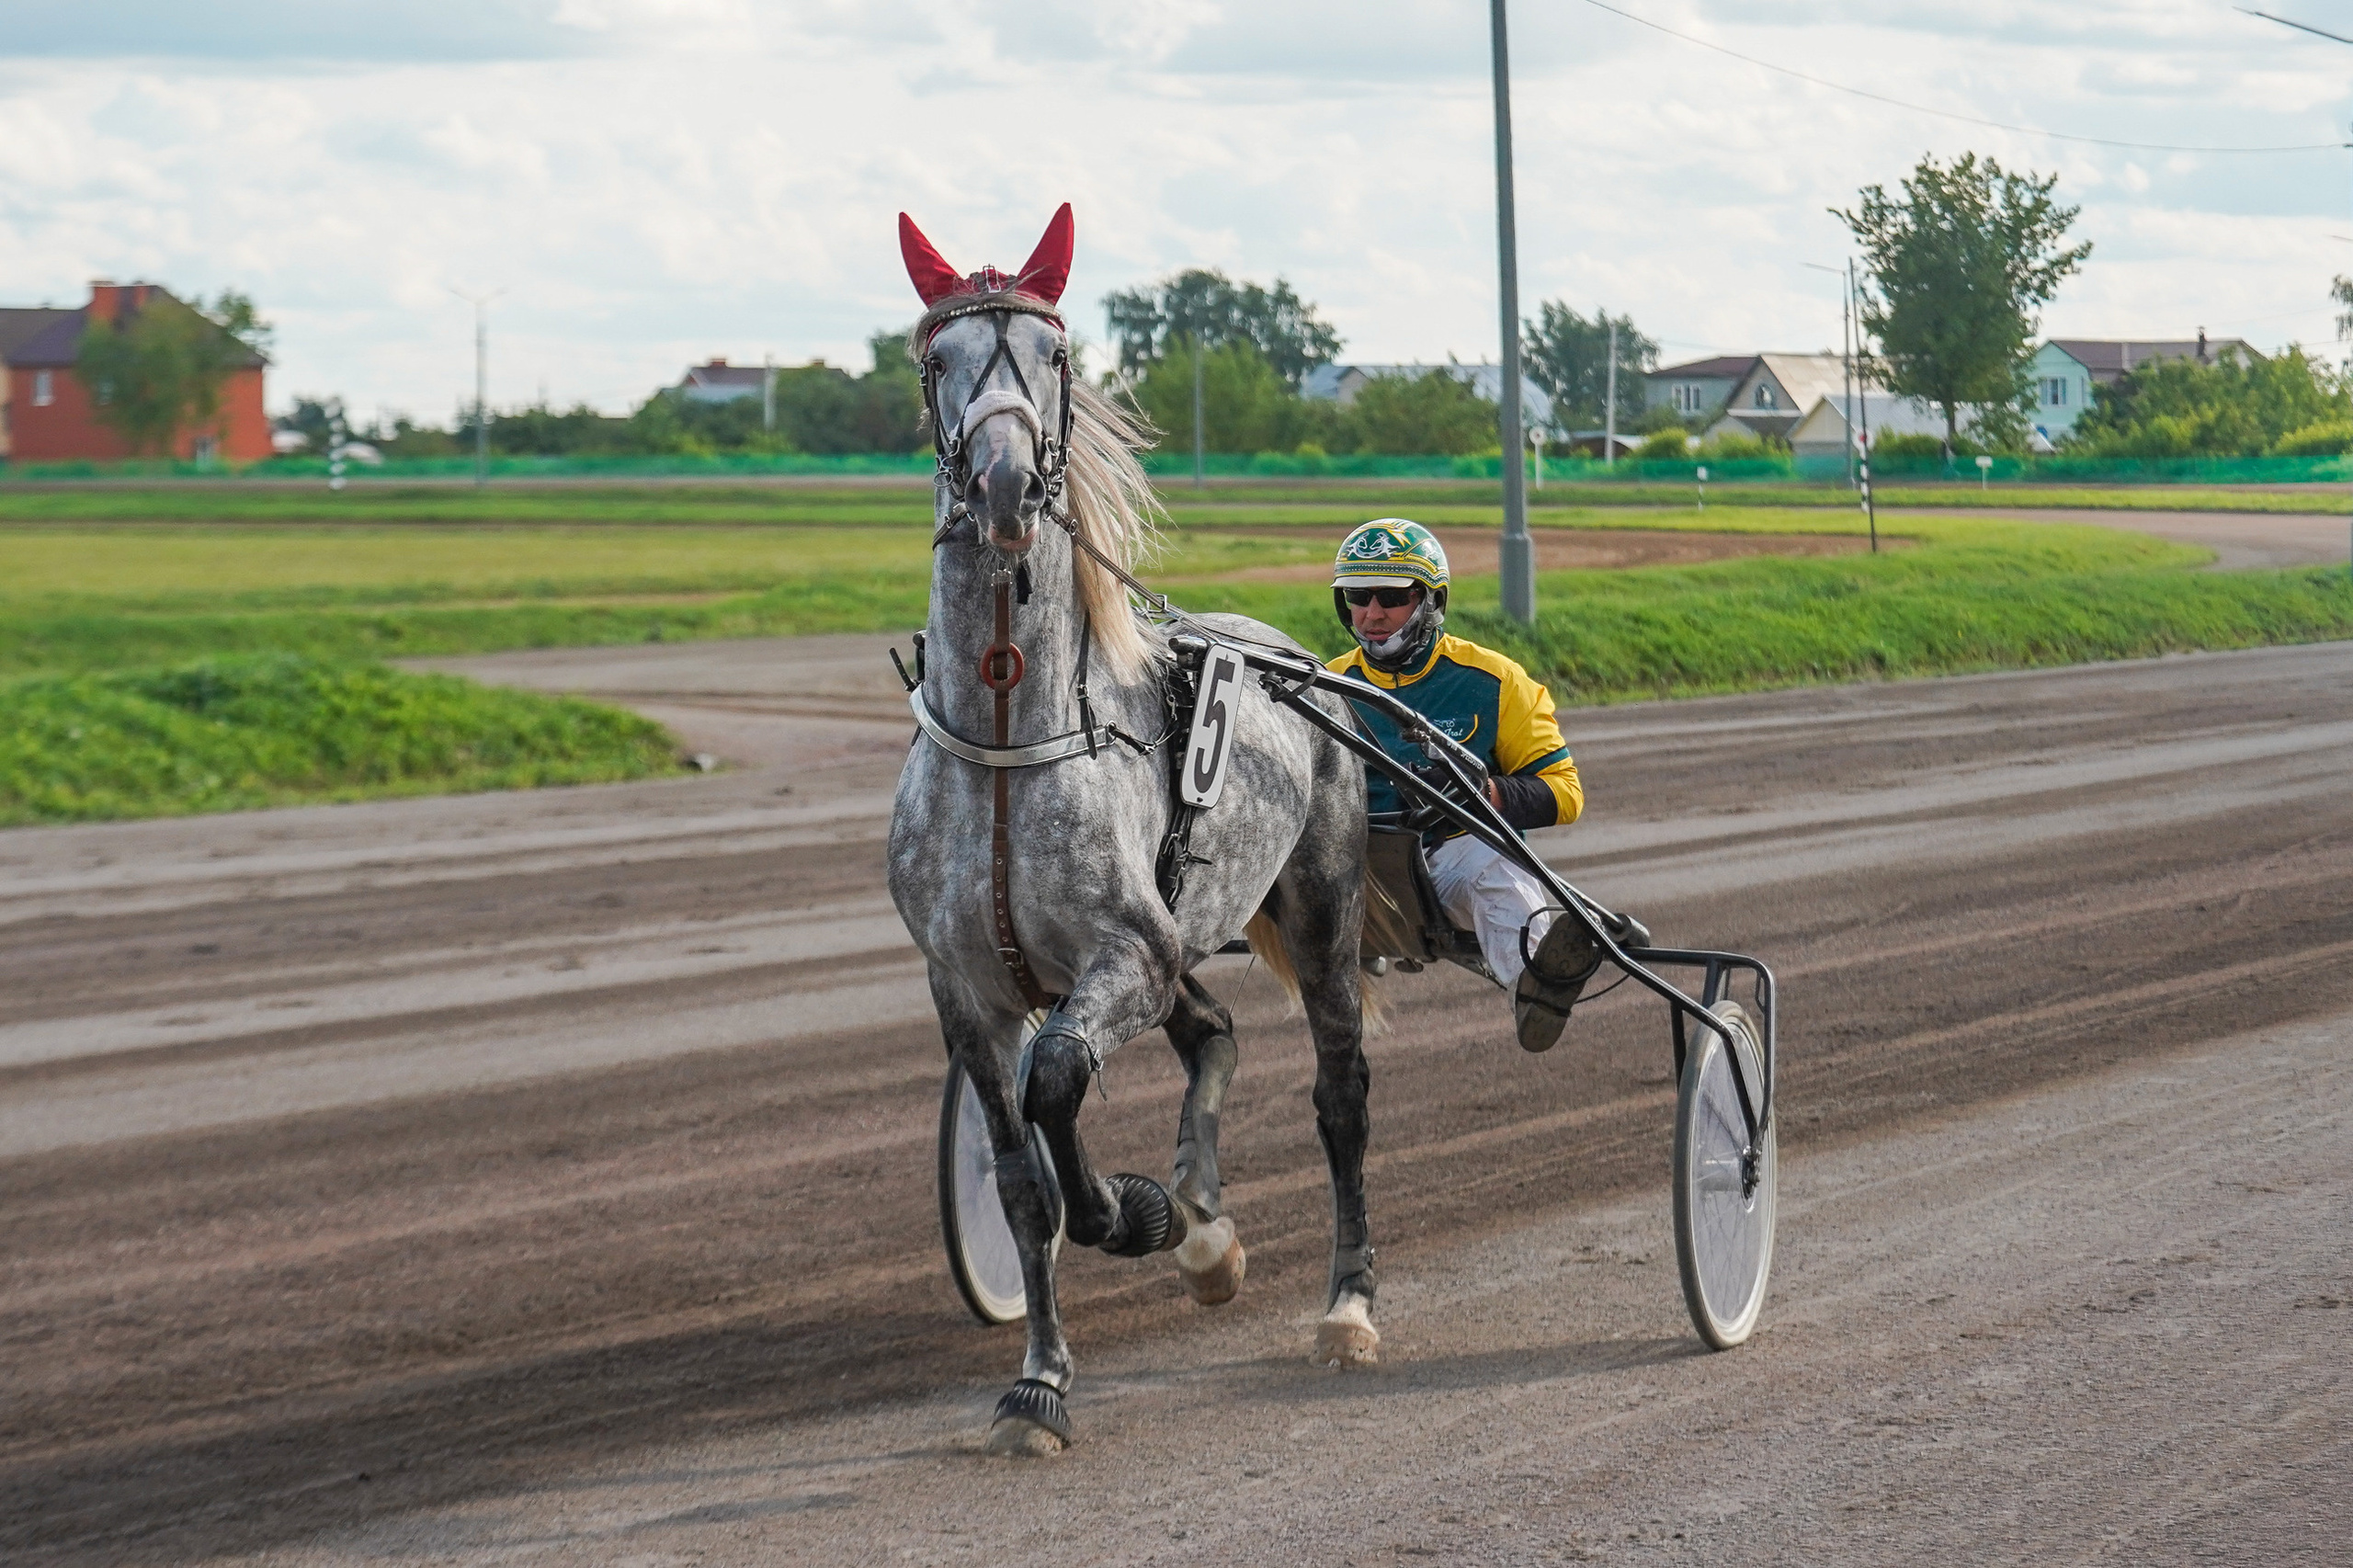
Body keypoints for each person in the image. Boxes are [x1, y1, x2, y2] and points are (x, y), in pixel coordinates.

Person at [1324, 518, 1600, 1052]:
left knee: (1492, 859)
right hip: (1349, 873)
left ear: (1429, 601)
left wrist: (1484, 792)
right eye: (1357, 595)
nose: (1373, 613)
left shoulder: (1495, 681)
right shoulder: (1325, 686)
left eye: (1392, 595)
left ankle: (1535, 984)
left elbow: (1566, 794)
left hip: (1446, 867)